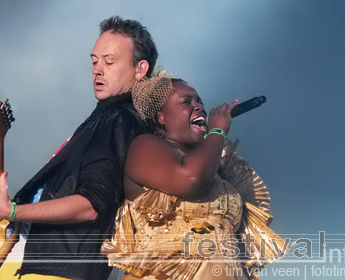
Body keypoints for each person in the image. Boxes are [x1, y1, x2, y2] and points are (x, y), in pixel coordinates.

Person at [0, 16, 158, 280]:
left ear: (140, 69)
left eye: (110, 61)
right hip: (34, 264)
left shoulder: (119, 119)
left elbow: (91, 204)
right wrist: (10, 231)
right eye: (94, 61)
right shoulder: (104, 118)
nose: (98, 69)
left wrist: (11, 211)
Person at [102, 71, 289, 280]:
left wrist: (216, 141)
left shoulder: (214, 170)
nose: (198, 105)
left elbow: (250, 209)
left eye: (199, 101)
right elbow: (190, 179)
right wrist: (217, 132)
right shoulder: (144, 147)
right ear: (160, 117)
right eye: (186, 101)